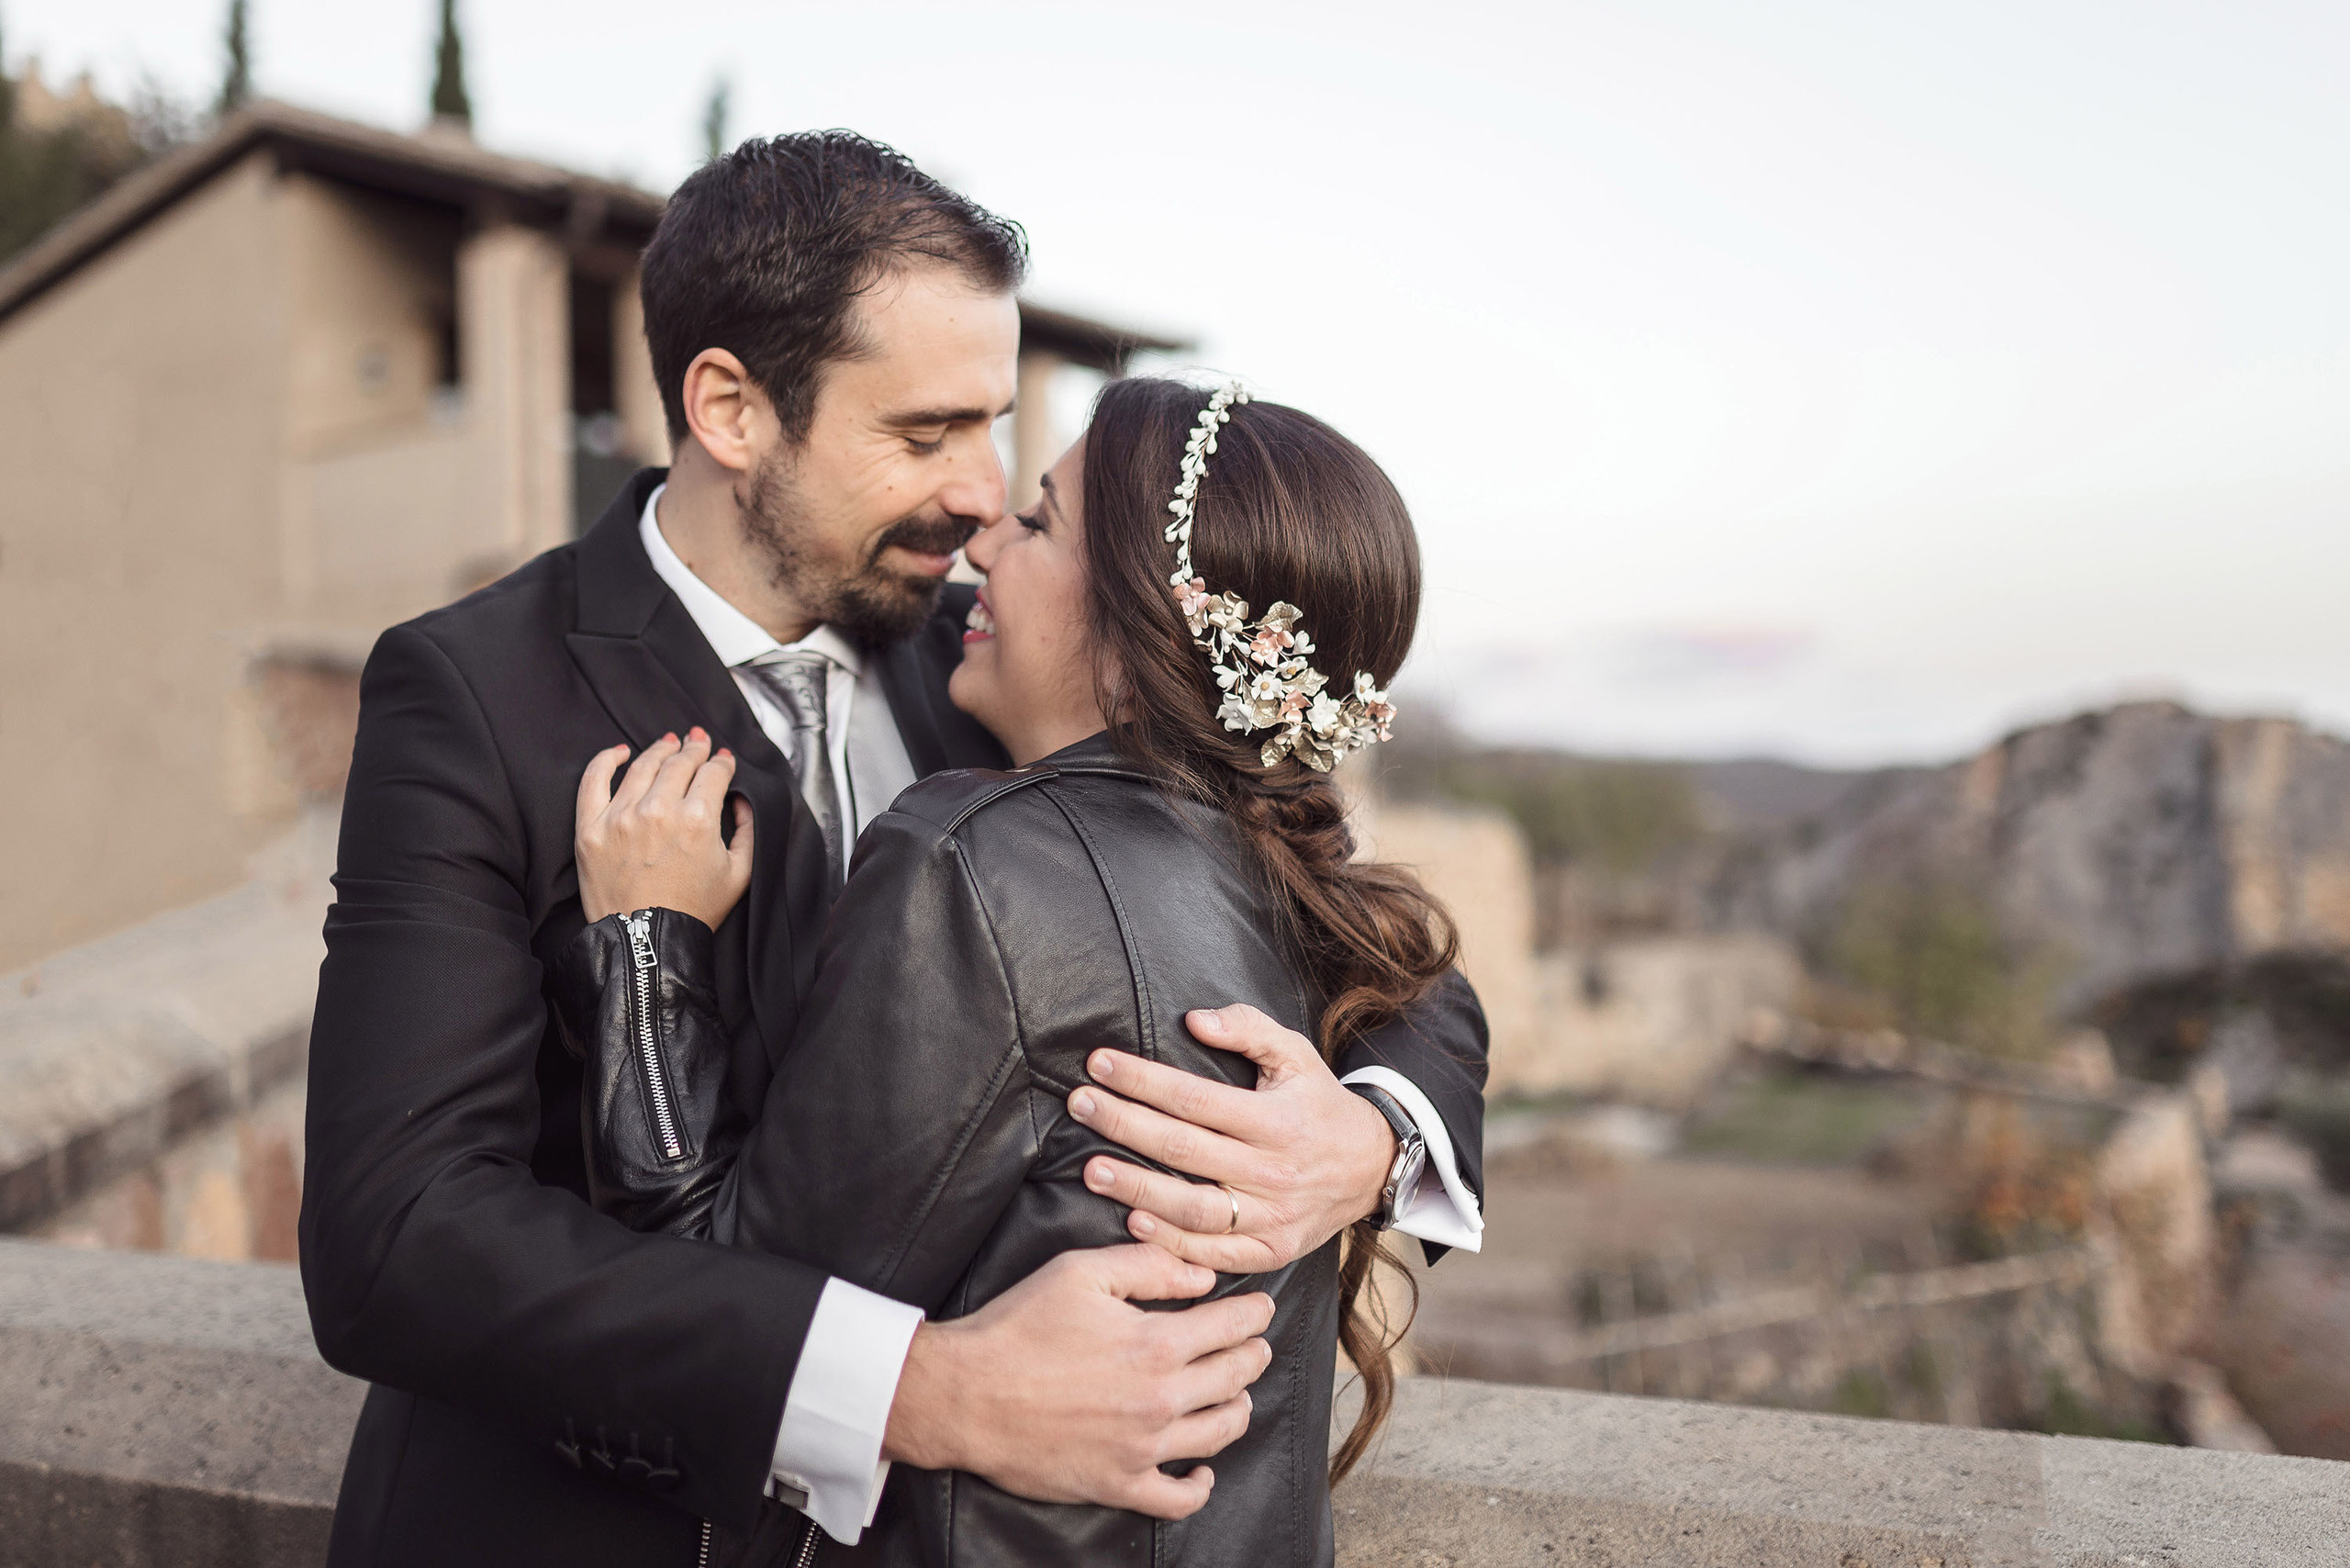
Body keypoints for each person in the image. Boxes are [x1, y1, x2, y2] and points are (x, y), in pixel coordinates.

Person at [298, 131, 1487, 1568]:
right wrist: (925, 1392)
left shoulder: (1003, 654)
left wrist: (1368, 1138)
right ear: (732, 409)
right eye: (925, 435)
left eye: (995, 428)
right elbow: (395, 1238)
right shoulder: (477, 690)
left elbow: (1335, 909)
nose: (983, 494)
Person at [559, 375, 1460, 1566]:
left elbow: (727, 1309)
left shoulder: (976, 861)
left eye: (1038, 522)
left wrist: (646, 942)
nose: (985, 539)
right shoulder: (1286, 868)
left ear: (1140, 629)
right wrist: (1381, 1138)